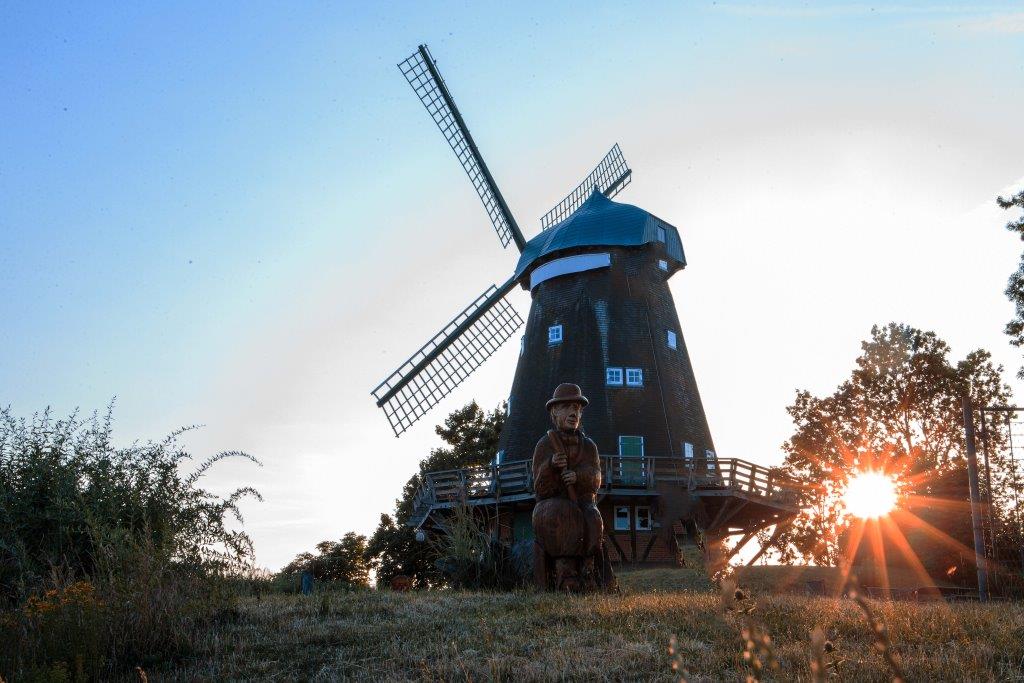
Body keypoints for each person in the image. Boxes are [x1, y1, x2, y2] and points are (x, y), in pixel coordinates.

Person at [531, 383, 611, 591]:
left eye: (577, 408)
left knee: (593, 518)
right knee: (562, 515)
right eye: (567, 408)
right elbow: (539, 487)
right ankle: (565, 575)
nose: (573, 413)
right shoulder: (544, 445)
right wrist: (550, 466)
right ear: (554, 412)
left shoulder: (588, 446)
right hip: (552, 504)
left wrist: (578, 476)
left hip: (583, 502)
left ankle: (590, 571)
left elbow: (595, 477)